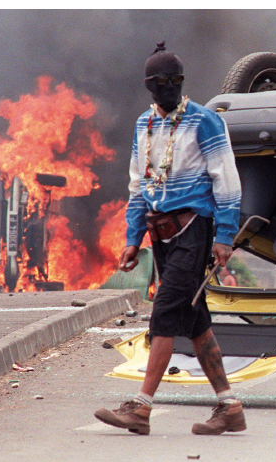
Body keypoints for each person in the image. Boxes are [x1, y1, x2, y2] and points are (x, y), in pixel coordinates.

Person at [94, 44, 246, 436]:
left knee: (164, 312)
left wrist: (225, 236)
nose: (170, 87)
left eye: (176, 80)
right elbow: (138, 187)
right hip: (159, 235)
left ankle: (141, 408)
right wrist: (133, 238)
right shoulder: (143, 125)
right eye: (162, 82)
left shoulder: (205, 122)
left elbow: (227, 183)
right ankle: (230, 407)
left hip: (194, 231)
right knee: (195, 322)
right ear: (150, 85)